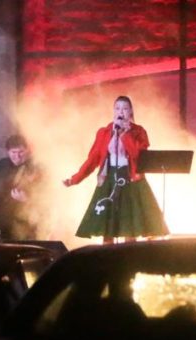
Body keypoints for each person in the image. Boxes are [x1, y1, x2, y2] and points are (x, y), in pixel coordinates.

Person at [63, 95, 168, 242]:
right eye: (117, 108)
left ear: (131, 111)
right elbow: (92, 160)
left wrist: (125, 134)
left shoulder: (139, 132)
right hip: (109, 179)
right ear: (113, 111)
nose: (121, 112)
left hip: (131, 179)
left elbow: (138, 155)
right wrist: (74, 179)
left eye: (125, 108)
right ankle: (109, 255)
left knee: (129, 228)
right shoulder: (104, 132)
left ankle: (130, 255)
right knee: (108, 228)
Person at [0, 134, 42, 240]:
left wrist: (26, 200)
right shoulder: (1, 165)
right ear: (8, 152)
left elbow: (45, 197)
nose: (17, 156)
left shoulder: (36, 168)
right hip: (1, 223)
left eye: (21, 152)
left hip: (25, 225)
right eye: (13, 152)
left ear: (28, 150)